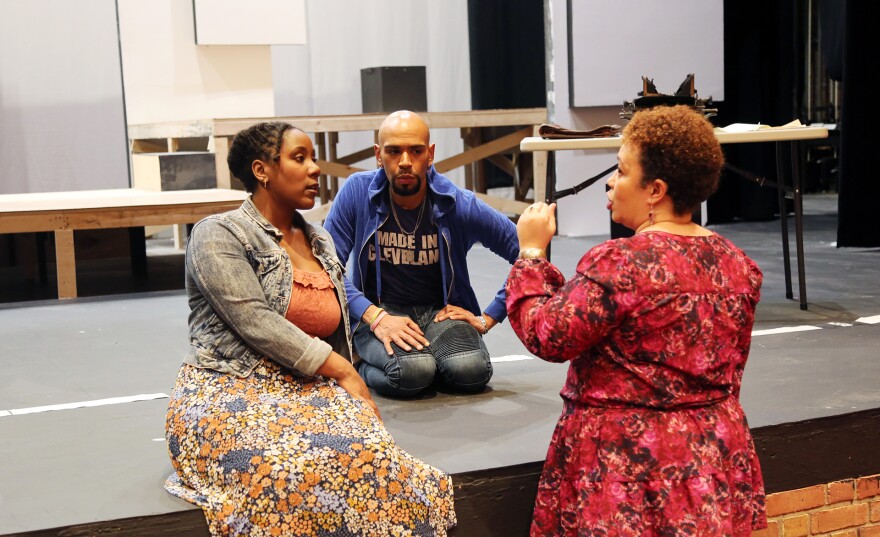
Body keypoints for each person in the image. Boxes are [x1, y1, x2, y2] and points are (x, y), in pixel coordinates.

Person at [164, 122, 455, 536]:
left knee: (373, 459)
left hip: (307, 389)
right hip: (230, 388)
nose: (315, 168)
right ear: (262, 170)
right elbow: (256, 322)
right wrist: (343, 370)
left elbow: (339, 324)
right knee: (283, 471)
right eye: (299, 158)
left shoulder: (319, 240)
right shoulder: (218, 234)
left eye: (313, 157)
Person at [506, 105, 767, 536]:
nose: (610, 182)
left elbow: (547, 335)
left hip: (624, 463)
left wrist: (532, 253)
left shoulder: (620, 263)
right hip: (713, 456)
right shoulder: (738, 265)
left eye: (622, 171)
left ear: (655, 190)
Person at [324, 110, 520, 398]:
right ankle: (359, 362)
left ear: (430, 155)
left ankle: (429, 359)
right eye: (394, 152)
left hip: (439, 314)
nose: (405, 162)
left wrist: (488, 317)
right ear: (379, 155)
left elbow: (529, 255)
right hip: (380, 312)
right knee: (413, 374)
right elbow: (326, 265)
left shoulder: (457, 203)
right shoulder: (356, 192)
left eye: (415, 151)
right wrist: (374, 316)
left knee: (471, 372)